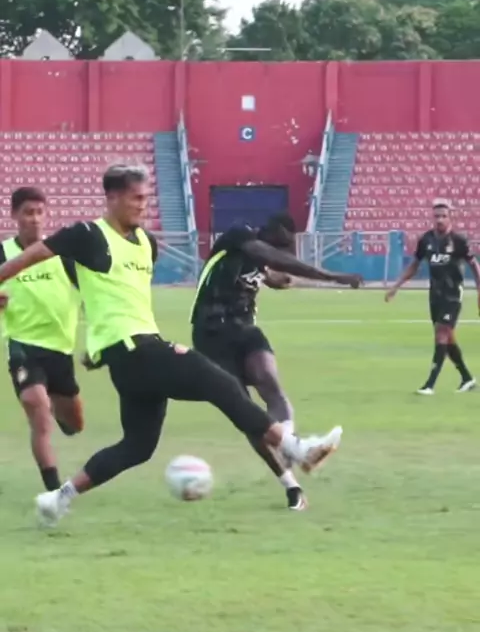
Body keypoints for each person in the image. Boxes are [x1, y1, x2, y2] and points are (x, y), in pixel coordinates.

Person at [0, 164, 344, 527]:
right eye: (135, 198)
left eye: (145, 198)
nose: (142, 205)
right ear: (112, 197)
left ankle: (58, 498)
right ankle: (295, 448)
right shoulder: (86, 235)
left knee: (138, 446)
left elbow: (117, 301)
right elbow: (27, 258)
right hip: (137, 351)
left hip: (129, 357)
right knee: (221, 383)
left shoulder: (146, 244)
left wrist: (101, 351)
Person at [191, 214, 362, 510]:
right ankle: (291, 486)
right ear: (271, 234)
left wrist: (277, 280)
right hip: (211, 332)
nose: (282, 253)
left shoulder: (259, 262)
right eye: (281, 246)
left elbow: (272, 274)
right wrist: (332, 277)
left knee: (270, 383)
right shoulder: (239, 234)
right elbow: (269, 257)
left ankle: (292, 447)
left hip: (244, 329)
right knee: (245, 411)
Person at [0, 186, 83, 491]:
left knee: (75, 424)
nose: (34, 219)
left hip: (60, 348)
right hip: (22, 345)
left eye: (39, 212)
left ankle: (59, 411)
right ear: (14, 215)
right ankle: (54, 492)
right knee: (36, 407)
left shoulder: (61, 254)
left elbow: (91, 293)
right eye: (27, 213)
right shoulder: (3, 254)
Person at [385, 199, 480, 394]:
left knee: (441, 333)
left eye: (444, 216)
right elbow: (414, 265)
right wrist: (396, 286)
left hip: (453, 294)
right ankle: (467, 378)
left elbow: (474, 266)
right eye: (437, 216)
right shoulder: (426, 240)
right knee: (448, 338)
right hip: (435, 295)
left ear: (451, 217)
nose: (440, 220)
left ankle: (430, 385)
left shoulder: (459, 241)